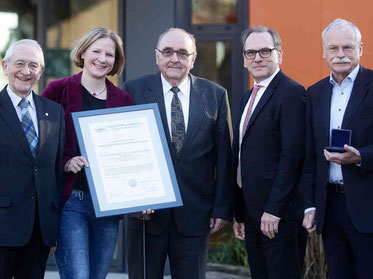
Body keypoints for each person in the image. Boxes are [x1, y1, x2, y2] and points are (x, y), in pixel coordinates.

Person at [123, 28, 233, 279]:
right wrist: (131, 201)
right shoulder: (133, 91)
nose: (175, 58)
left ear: (193, 58)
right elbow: (125, 150)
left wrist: (221, 208)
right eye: (168, 52)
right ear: (157, 56)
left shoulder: (215, 95)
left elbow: (224, 157)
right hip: (145, 215)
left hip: (196, 213)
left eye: (183, 53)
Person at [42, 27, 132, 278]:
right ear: (83, 53)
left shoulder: (124, 100)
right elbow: (40, 144)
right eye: (96, 51)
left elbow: (130, 151)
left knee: (97, 275)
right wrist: (64, 162)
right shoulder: (56, 91)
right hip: (72, 201)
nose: (102, 59)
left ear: (116, 61)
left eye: (110, 55)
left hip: (108, 205)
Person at [232, 26, 307, 279]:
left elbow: (292, 157)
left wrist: (275, 210)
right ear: (243, 59)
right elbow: (243, 157)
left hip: (279, 218)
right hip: (253, 215)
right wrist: (239, 213)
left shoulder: (292, 93)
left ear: (279, 55)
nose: (258, 58)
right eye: (251, 52)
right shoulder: (247, 98)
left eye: (265, 51)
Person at [302, 18, 373, 279]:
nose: (340, 54)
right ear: (324, 52)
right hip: (329, 207)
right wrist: (310, 206)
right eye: (333, 48)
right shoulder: (315, 93)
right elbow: (309, 154)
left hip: (367, 207)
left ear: (360, 49)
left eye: (347, 47)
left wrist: (361, 156)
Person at [0, 39, 64, 278]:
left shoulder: (54, 111)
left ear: (41, 71)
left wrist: (53, 228)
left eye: (33, 65)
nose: (26, 71)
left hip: (39, 230)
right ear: (5, 66)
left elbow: (54, 172)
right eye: (20, 64)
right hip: (2, 226)